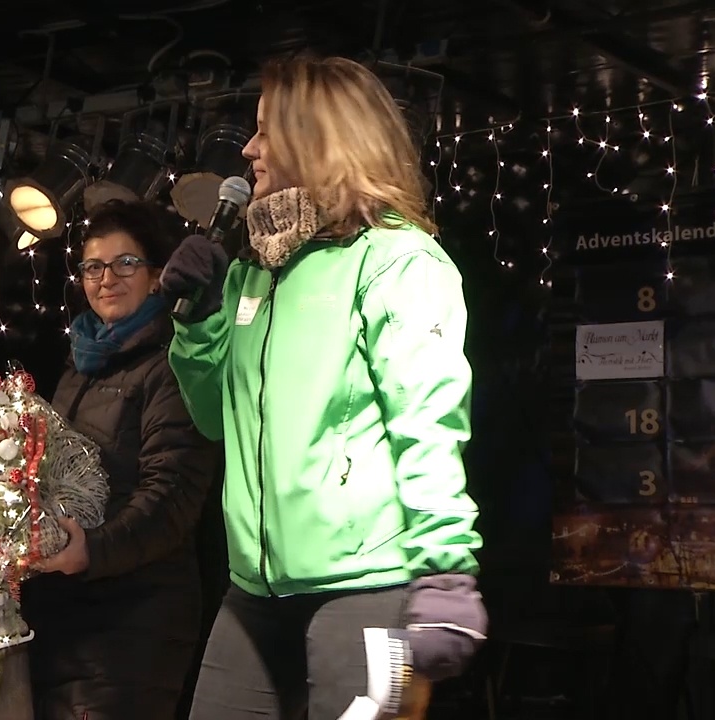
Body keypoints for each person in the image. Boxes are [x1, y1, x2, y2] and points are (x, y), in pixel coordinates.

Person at [161, 53, 489, 720]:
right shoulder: (254, 271)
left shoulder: (397, 260)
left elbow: (427, 427)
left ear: (320, 138)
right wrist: (195, 325)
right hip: (253, 593)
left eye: (265, 130)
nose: (248, 149)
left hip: (366, 592)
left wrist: (446, 569)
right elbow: (213, 420)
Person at [21, 200, 218, 719]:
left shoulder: (174, 363)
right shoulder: (78, 369)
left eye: (125, 263)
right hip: (63, 617)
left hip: (134, 620)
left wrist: (94, 551)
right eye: (93, 266)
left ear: (157, 277)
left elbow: (173, 496)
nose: (107, 278)